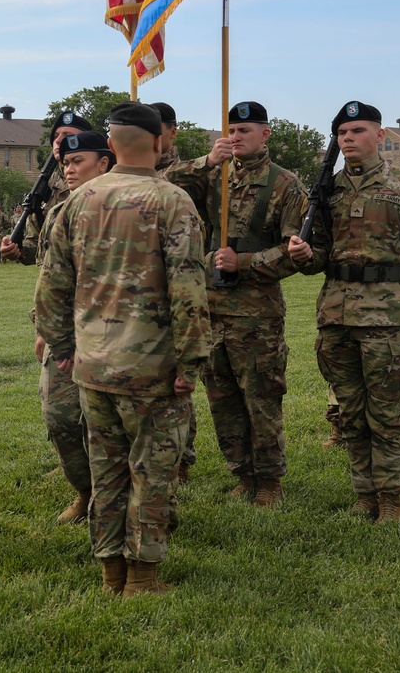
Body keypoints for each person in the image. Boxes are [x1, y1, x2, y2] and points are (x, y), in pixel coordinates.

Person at [34, 102, 211, 597]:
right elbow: (189, 290)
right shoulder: (173, 201)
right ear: (160, 143)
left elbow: (50, 287)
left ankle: (111, 571)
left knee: (106, 470)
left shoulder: (74, 203)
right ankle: (142, 577)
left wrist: (65, 348)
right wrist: (192, 361)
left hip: (92, 364)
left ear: (109, 147)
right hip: (152, 368)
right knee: (152, 472)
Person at [288, 101, 400, 523]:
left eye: (358, 130)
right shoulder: (327, 190)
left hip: (387, 320)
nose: (349, 138)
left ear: (380, 136)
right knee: (351, 414)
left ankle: (391, 498)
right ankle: (364, 494)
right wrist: (304, 254)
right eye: (343, 133)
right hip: (337, 317)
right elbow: (318, 258)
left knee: (387, 414)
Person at [165, 101, 307, 507]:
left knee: (261, 399)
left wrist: (244, 262)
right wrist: (207, 160)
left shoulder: (284, 185)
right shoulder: (213, 176)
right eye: (231, 130)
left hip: (256, 314)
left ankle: (269, 481)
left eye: (245, 130)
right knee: (222, 400)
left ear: (265, 134)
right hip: (211, 308)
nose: (236, 137)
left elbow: (295, 252)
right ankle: (242, 473)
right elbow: (162, 181)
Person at [1, 131, 116, 524]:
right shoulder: (56, 212)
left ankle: (115, 498)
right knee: (60, 417)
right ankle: (84, 493)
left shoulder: (128, 205)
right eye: (65, 163)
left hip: (114, 333)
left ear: (104, 163)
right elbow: (48, 278)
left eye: (77, 161)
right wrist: (46, 329)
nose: (68, 169)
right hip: (65, 334)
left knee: (110, 425)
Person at [149, 101, 196, 484]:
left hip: (180, 286)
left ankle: (181, 458)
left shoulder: (189, 173)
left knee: (178, 380)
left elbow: (181, 175)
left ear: (171, 131)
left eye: (157, 128)